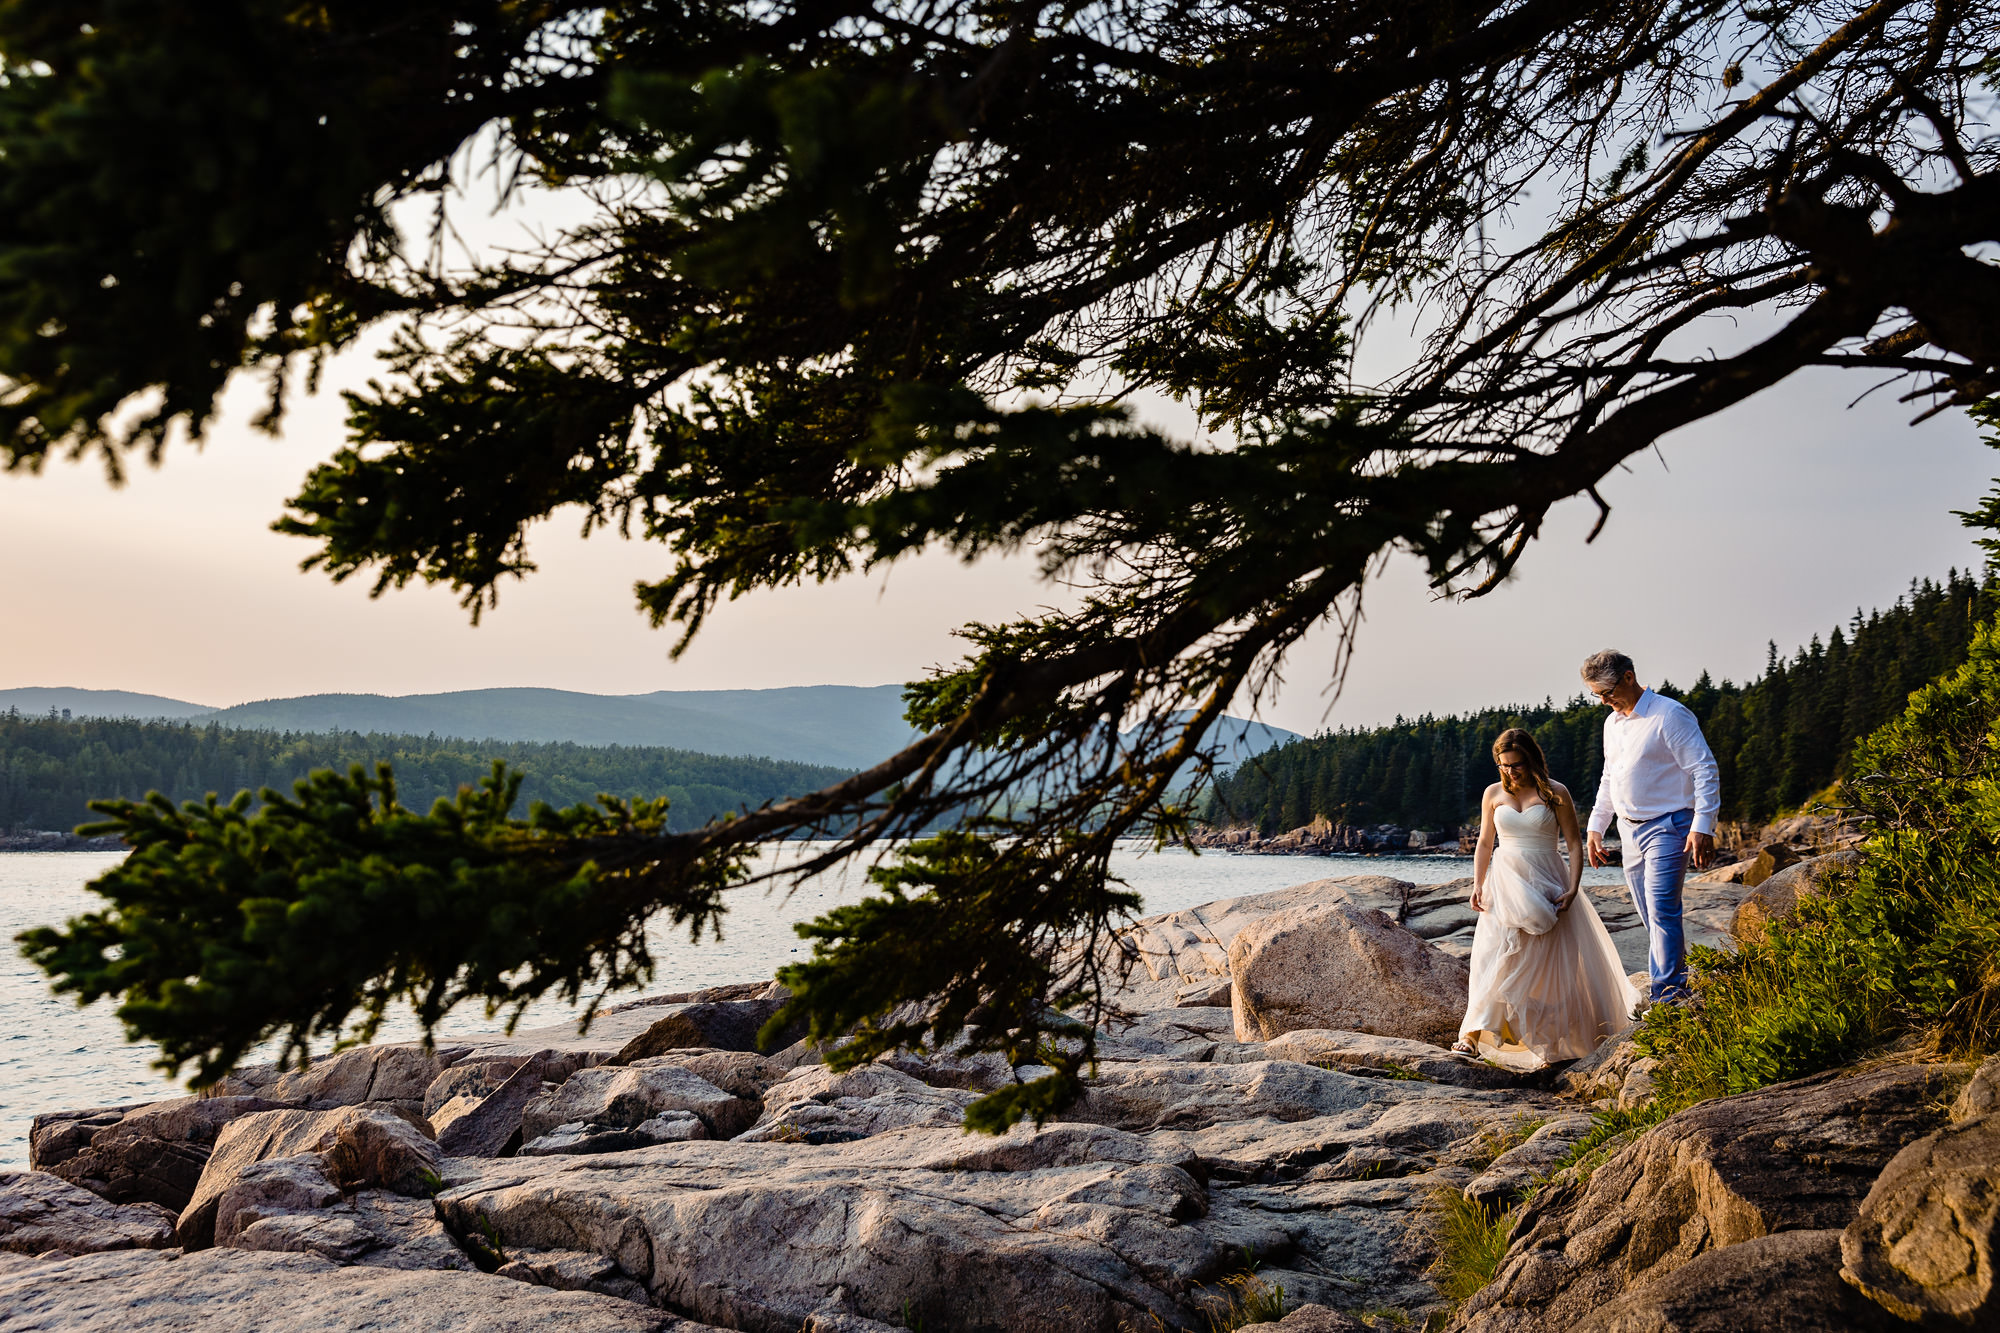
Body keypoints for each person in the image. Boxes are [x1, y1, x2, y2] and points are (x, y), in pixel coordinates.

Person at [1456, 728, 1638, 1066]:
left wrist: (1572, 888)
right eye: (1504, 765)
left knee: (1546, 964)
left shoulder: (1557, 792)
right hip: (1505, 882)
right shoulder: (1493, 792)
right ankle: (1472, 1033)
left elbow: (1573, 843)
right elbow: (1484, 842)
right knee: (1493, 956)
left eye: (1517, 764)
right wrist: (1478, 883)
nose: (1511, 772)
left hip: (1547, 881)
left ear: (1531, 759)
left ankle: (1549, 1039)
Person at [1579, 649, 1721, 1005]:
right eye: (1597, 694)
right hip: (1629, 831)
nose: (1603, 700)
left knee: (1661, 910)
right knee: (1648, 912)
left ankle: (1668, 994)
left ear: (1629, 677)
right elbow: (1609, 777)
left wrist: (1702, 826)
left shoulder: (1670, 715)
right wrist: (1596, 827)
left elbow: (1704, 770)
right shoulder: (1611, 724)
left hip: (1670, 825)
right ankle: (1674, 981)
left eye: (1607, 692)